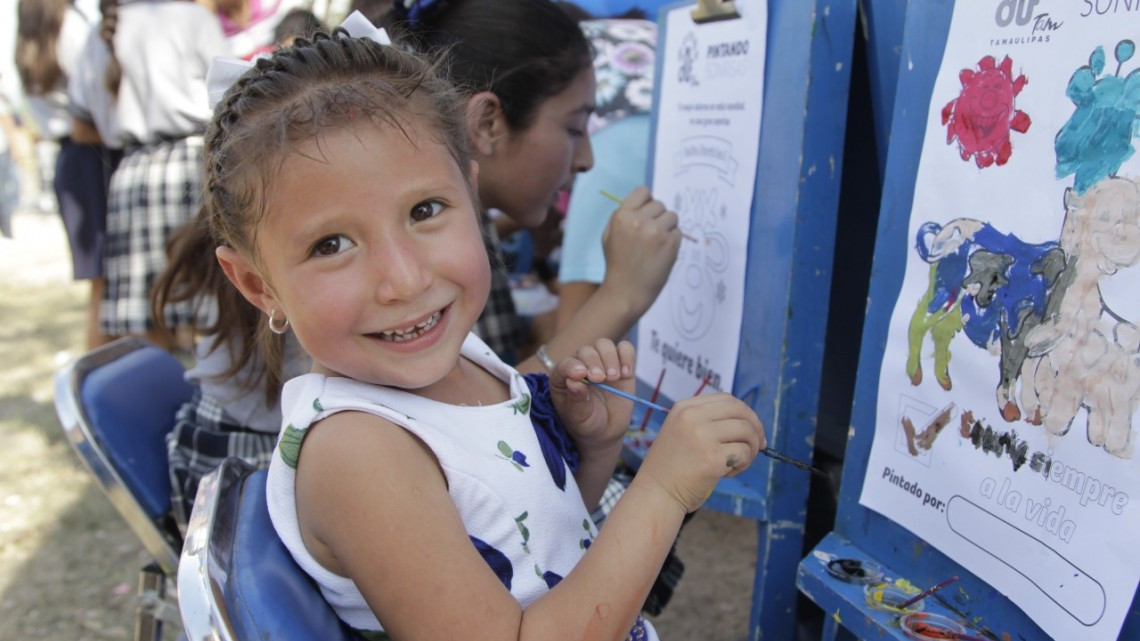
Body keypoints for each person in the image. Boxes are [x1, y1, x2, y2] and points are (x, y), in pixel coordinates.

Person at [205, 17, 766, 639]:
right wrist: (662, 490)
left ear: (470, 195)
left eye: (425, 210)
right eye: (331, 245)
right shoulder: (359, 452)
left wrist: (596, 448)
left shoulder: (462, 359)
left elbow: (537, 546)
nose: (404, 280)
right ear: (257, 284)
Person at [383, 0, 681, 373]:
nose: (586, 160)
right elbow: (486, 407)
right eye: (574, 129)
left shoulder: (454, 223)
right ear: (487, 123)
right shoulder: (415, 260)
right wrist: (623, 295)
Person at [82, 0, 230, 349]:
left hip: (132, 174)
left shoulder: (101, 32)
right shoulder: (192, 17)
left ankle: (155, 381)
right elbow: (230, 93)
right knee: (217, 305)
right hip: (195, 165)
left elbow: (85, 116)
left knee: (145, 314)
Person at [15, 0, 116, 348]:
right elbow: (95, 96)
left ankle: (102, 361)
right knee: (107, 277)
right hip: (92, 154)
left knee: (101, 278)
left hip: (69, 160)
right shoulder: (72, 28)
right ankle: (102, 364)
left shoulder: (30, 39)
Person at [556, 17, 658, 332]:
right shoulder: (622, 34)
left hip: (621, 132)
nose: (585, 162)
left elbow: (570, 339)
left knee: (576, 320)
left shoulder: (556, 45)